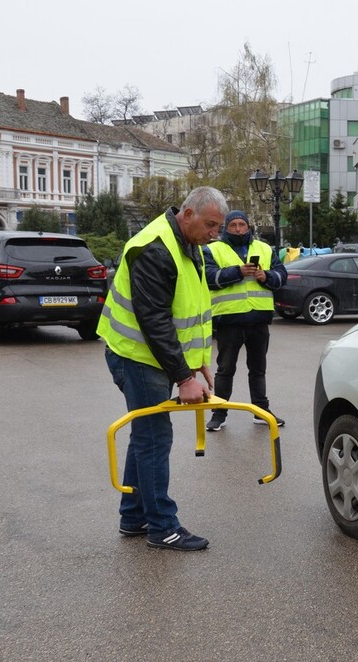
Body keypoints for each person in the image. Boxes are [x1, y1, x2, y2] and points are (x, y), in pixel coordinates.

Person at [98, 186, 227, 552]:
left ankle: (134, 516)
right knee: (155, 437)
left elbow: (190, 307)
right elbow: (153, 319)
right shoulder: (154, 247)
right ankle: (162, 526)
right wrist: (184, 377)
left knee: (146, 435)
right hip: (137, 356)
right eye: (210, 224)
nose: (215, 233)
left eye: (218, 226)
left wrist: (198, 359)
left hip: (155, 356)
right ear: (187, 214)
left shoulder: (189, 245)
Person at [203, 210, 288, 431]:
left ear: (248, 227)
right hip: (229, 320)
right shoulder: (212, 249)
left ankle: (261, 410)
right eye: (233, 225)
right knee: (225, 369)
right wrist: (238, 272)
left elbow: (282, 276)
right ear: (226, 228)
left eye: (242, 225)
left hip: (259, 320)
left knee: (258, 369)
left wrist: (265, 276)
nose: (238, 229)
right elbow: (209, 278)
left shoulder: (264, 248)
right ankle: (219, 414)